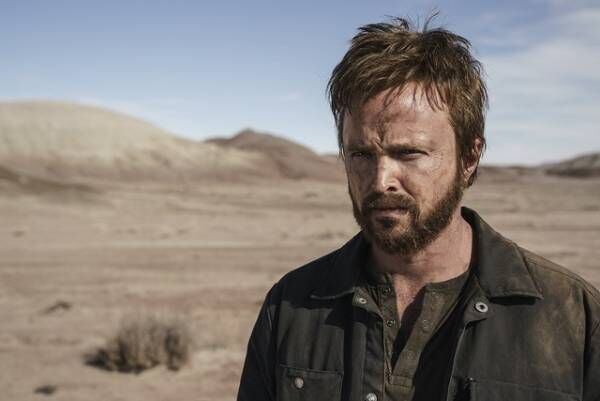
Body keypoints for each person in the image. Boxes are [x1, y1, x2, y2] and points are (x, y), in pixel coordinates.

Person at [237, 17, 600, 401]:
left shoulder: (572, 317)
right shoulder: (292, 305)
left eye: (408, 153)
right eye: (361, 154)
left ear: (470, 157)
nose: (381, 181)